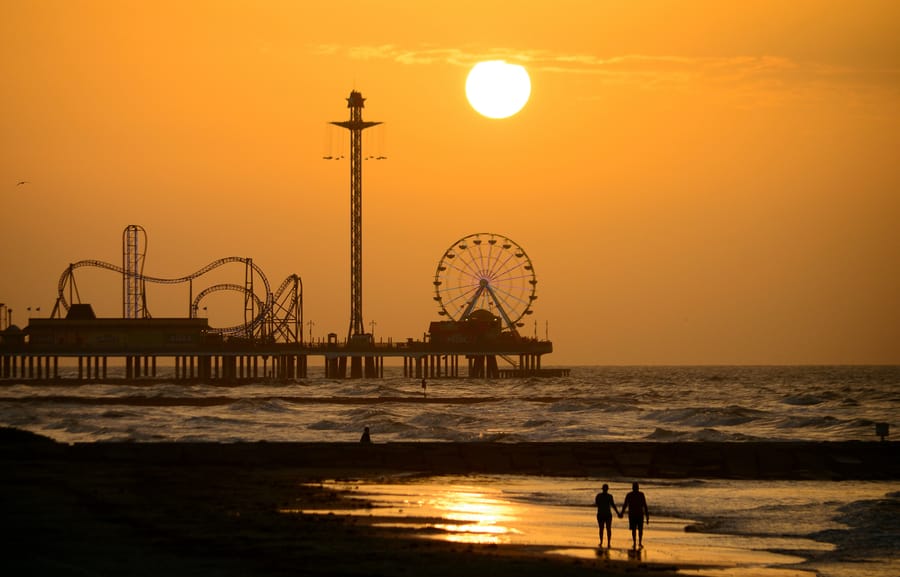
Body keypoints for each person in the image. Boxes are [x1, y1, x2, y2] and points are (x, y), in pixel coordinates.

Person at [620, 482, 650, 548]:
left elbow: (625, 505)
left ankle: (636, 542)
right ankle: (639, 542)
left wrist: (622, 513)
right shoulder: (640, 494)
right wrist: (647, 516)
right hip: (638, 514)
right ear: (637, 487)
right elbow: (645, 506)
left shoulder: (630, 495)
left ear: (633, 487)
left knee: (635, 529)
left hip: (633, 514)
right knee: (639, 529)